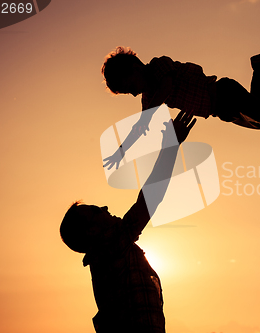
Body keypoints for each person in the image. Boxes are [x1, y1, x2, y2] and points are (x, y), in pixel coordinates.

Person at [60, 111, 196, 333]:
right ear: (92, 231)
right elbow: (150, 199)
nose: (103, 208)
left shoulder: (106, 257)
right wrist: (171, 146)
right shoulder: (110, 249)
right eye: (95, 211)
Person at [101, 47, 260, 170]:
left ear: (134, 68)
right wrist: (123, 149)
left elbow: (167, 84)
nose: (132, 93)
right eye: (127, 93)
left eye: (129, 86)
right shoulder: (149, 98)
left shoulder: (157, 66)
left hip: (223, 92)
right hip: (221, 110)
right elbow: (142, 125)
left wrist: (148, 113)